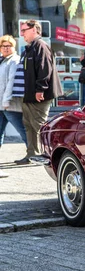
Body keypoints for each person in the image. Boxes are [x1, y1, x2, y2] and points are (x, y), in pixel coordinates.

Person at [15, 19, 62, 165]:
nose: (22, 33)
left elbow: (45, 69)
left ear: (34, 30)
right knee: (29, 125)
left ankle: (46, 155)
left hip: (38, 95)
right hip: (28, 94)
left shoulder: (41, 45)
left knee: (39, 126)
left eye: (24, 30)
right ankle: (32, 155)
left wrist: (40, 89)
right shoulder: (30, 47)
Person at [0, 35, 27, 149]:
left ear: (13, 47)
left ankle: (33, 153)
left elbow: (11, 82)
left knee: (22, 130)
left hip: (10, 104)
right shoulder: (2, 61)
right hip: (1, 104)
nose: (6, 48)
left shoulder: (15, 60)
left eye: (9, 45)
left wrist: (6, 101)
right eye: (3, 46)